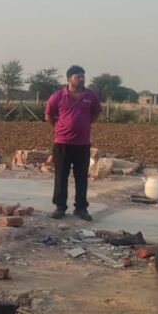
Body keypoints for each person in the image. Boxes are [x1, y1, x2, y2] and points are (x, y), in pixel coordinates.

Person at [45, 65, 102, 221]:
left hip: (82, 144)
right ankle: (60, 207)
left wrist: (84, 124)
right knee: (61, 176)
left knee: (81, 177)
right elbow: (48, 115)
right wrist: (59, 127)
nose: (81, 79)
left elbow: (95, 113)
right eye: (78, 76)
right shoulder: (58, 96)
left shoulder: (91, 96)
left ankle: (81, 208)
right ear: (69, 78)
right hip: (62, 143)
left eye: (83, 76)